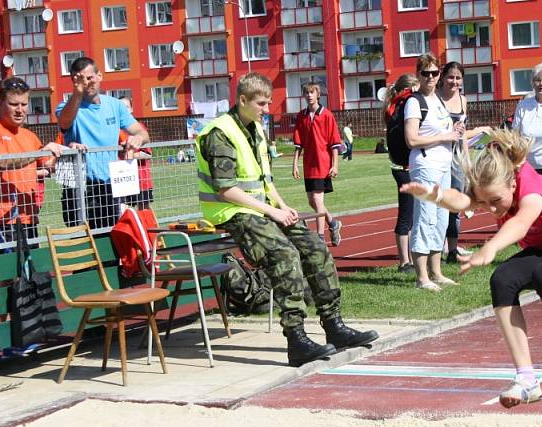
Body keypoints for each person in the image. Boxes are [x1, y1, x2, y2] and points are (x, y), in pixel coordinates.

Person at [401, 128, 542, 408]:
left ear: (512, 184)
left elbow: (520, 224)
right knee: (502, 279)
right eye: (485, 202)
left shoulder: (532, 190)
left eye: (496, 201)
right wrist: (432, 194)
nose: (492, 209)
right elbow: (462, 201)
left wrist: (491, 248)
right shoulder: (491, 187)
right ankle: (526, 379)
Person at [195, 72, 378, 367]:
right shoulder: (221, 132)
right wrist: (272, 211)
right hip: (231, 212)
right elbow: (226, 189)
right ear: (242, 100)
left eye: (268, 103)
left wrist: (282, 205)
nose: (267, 109)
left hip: (261, 208)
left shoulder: (253, 127)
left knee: (315, 247)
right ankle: (297, 339)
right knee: (285, 255)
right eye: (262, 103)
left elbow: (263, 180)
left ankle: (334, 326)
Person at [55, 57, 150, 230]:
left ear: (99, 76)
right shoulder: (66, 106)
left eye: (90, 78)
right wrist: (77, 93)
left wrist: (138, 139)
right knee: (84, 243)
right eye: (80, 79)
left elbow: (142, 133)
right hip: (79, 187)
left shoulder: (115, 105)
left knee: (111, 237)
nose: (86, 83)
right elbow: (64, 123)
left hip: (109, 185)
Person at [0, 76, 63, 254]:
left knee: (32, 273)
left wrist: (65, 151)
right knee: (12, 274)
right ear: (0, 103)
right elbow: (3, 161)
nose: (20, 110)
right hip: (1, 218)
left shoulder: (28, 135)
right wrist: (41, 152)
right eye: (14, 104)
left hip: (27, 215)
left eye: (24, 104)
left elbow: (47, 166)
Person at [404, 53, 464, 291]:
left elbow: (445, 132)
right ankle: (421, 277)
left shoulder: (438, 100)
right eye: (425, 73)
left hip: (443, 165)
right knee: (425, 218)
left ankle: (436, 272)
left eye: (434, 73)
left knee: (440, 219)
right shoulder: (414, 102)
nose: (430, 77)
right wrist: (443, 136)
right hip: (425, 166)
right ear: (418, 75)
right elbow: (411, 139)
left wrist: (455, 131)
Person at [438, 61, 489, 264]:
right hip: (440, 153)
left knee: (455, 204)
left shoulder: (463, 100)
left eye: (458, 78)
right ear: (443, 77)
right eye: (451, 77)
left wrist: (467, 161)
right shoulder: (435, 99)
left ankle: (452, 249)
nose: (454, 81)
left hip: (457, 155)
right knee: (439, 202)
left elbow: (463, 134)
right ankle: (436, 248)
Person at [292, 82, 343, 245]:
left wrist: (335, 165)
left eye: (312, 92)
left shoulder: (327, 115)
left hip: (323, 163)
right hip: (309, 164)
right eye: (306, 92)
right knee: (312, 201)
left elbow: (335, 143)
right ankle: (333, 223)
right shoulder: (301, 116)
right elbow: (298, 144)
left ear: (318, 95)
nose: (309, 95)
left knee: (317, 199)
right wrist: (295, 164)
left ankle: (320, 237)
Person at [383, 73, 419, 273]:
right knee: (407, 214)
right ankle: (405, 261)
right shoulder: (404, 106)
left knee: (410, 213)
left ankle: (409, 259)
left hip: (401, 166)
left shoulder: (396, 105)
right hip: (404, 167)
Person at [118, 96, 153, 210]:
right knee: (123, 210)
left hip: (141, 178)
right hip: (122, 177)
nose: (124, 110)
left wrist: (131, 155)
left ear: (131, 109)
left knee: (144, 209)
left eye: (126, 107)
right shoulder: (114, 129)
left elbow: (147, 154)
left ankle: (147, 227)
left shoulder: (140, 129)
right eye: (121, 107)